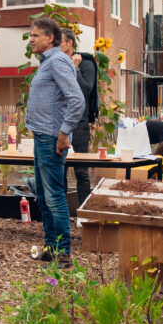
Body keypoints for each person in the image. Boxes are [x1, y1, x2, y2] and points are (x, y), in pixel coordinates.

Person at [25, 17, 85, 267]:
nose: (31, 39)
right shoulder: (48, 62)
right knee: (43, 196)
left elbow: (76, 99)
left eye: (35, 35)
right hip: (43, 135)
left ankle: (63, 253)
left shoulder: (58, 61)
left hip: (52, 137)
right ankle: (51, 248)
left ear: (50, 37)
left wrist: (63, 132)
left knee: (54, 196)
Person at [60, 29, 97, 204]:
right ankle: (62, 215)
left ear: (70, 43)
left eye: (59, 42)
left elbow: (86, 91)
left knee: (81, 171)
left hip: (79, 122)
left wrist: (75, 68)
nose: (56, 46)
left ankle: (83, 214)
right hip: (60, 121)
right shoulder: (57, 63)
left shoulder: (86, 64)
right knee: (60, 169)